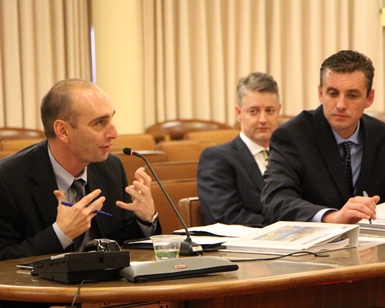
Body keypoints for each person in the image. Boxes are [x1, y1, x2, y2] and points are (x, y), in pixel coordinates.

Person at [0, 79, 161, 261]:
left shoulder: (111, 168)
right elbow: (4, 257)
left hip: (107, 287)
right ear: (63, 131)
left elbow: (124, 244)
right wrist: (60, 234)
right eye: (99, 123)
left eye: (111, 119)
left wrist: (145, 219)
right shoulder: (7, 180)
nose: (114, 133)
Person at [261, 50, 385, 225]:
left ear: (369, 98)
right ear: (320, 93)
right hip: (314, 246)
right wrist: (332, 217)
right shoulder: (292, 136)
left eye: (352, 95)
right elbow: (276, 201)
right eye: (333, 93)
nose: (341, 105)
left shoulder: (381, 135)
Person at [197, 72, 281, 226]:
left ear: (278, 111)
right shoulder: (218, 158)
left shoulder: (289, 155)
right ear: (239, 112)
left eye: (270, 111)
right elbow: (224, 216)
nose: (263, 119)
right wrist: (284, 226)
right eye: (253, 111)